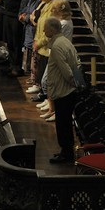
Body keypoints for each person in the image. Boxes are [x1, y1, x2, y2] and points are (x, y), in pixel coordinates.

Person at [41, 17, 82, 163]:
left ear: (52, 30)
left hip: (63, 91)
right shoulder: (66, 42)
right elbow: (77, 64)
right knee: (64, 123)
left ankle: (66, 154)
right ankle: (66, 152)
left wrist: (74, 83)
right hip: (68, 90)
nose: (44, 31)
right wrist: (78, 83)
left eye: (45, 28)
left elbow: (67, 71)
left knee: (63, 125)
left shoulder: (57, 46)